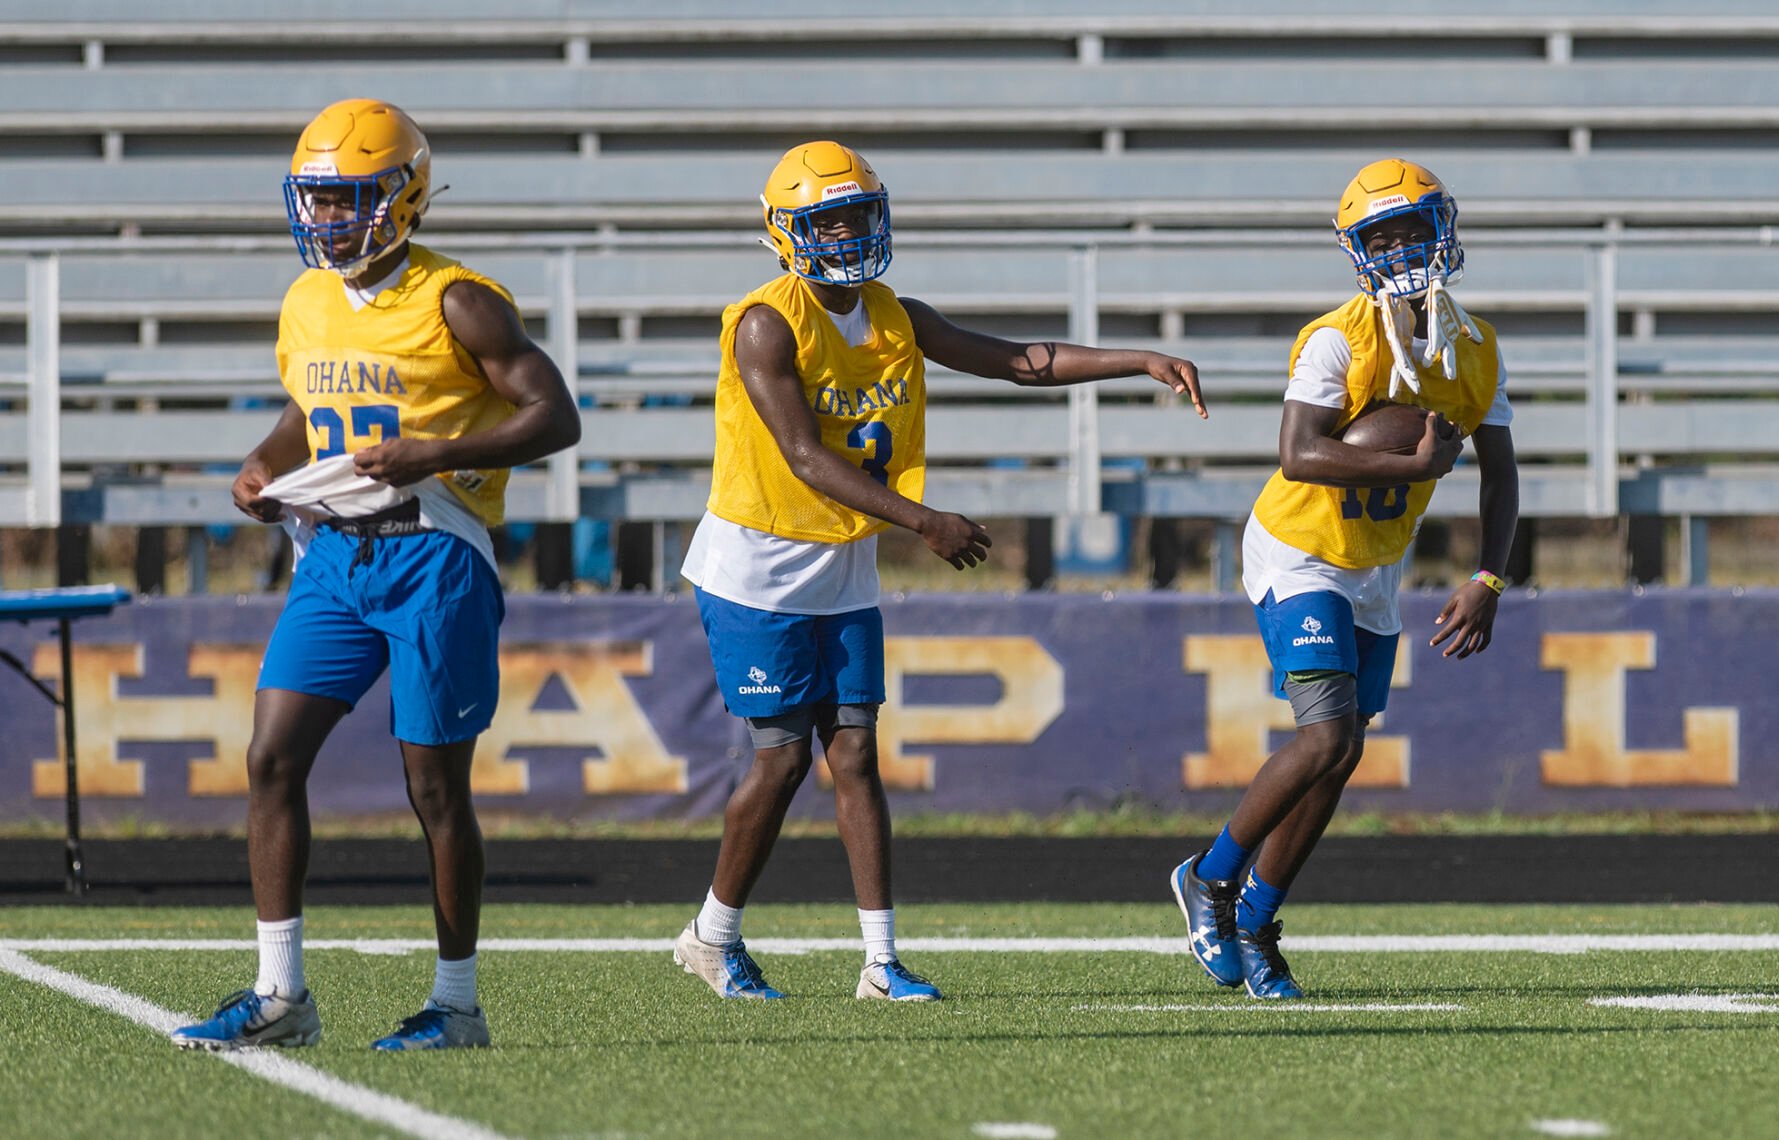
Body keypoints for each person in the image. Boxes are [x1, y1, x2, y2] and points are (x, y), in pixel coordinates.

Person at [674, 140, 1207, 1002]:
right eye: (825, 220)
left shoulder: (894, 312)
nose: (846, 233)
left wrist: (1134, 360)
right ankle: (712, 934)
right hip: (759, 566)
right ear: (786, 233)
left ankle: (880, 962)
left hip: (841, 562)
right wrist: (924, 520)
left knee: (854, 755)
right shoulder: (768, 321)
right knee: (778, 761)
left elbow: (1016, 360)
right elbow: (805, 456)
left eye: (857, 215)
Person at [170, 99, 580, 1050]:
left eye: (348, 199)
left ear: (404, 196)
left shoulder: (460, 298)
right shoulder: (307, 297)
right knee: (271, 757)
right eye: (315, 199)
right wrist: (263, 464)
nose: (326, 219)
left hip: (434, 555)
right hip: (333, 555)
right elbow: (305, 407)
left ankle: (457, 1004)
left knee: (434, 790)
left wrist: (435, 452)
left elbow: (556, 417)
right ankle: (281, 995)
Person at [1170, 158, 1519, 999]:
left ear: (1445, 228)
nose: (1399, 248)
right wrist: (1410, 460)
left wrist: (1488, 579)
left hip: (1373, 562)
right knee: (1323, 734)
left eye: (1411, 228)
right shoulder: (1338, 337)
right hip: (1297, 547)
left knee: (1344, 752)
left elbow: (1500, 474)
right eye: (1380, 236)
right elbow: (1295, 452)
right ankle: (1208, 880)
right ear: (1355, 252)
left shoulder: (1474, 349)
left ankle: (1257, 922)